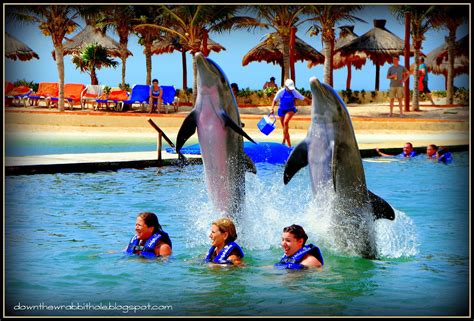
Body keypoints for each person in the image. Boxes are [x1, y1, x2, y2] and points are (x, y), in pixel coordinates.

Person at [271, 79, 311, 147]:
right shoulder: (281, 92)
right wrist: (272, 109)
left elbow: (303, 98)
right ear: (285, 86)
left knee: (285, 122)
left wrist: (311, 102)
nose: (291, 90)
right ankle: (285, 141)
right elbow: (274, 100)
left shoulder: (294, 92)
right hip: (282, 110)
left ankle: (289, 145)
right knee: (284, 128)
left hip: (291, 109)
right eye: (289, 88)